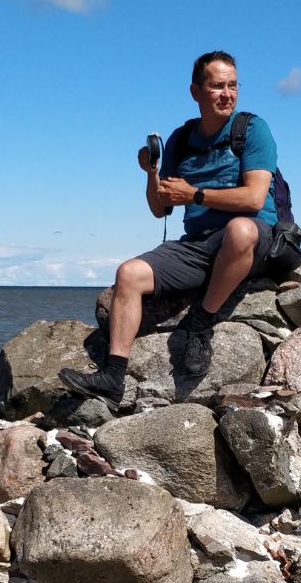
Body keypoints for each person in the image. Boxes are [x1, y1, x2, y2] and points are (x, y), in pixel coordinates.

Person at [60, 50, 278, 406]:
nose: (227, 94)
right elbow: (159, 208)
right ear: (195, 92)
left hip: (254, 240)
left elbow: (254, 198)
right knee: (129, 273)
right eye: (217, 86)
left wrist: (195, 194)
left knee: (239, 230)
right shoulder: (182, 138)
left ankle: (200, 324)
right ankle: (112, 378)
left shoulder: (252, 130)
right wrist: (152, 173)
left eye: (233, 85)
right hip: (199, 244)